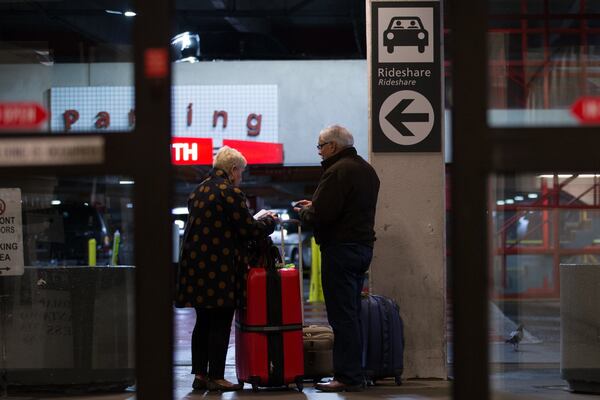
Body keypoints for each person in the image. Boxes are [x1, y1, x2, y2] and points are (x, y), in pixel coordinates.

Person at [175, 146, 277, 392]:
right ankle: (217, 377)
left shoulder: (198, 191)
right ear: (232, 170)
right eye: (241, 172)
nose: (241, 176)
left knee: (203, 322)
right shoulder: (229, 192)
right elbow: (248, 229)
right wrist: (269, 221)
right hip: (219, 269)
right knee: (220, 322)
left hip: (195, 269)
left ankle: (200, 375)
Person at [294, 125, 380, 392]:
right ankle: (356, 372)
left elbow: (323, 216)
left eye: (320, 146)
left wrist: (303, 212)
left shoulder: (336, 171)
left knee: (342, 316)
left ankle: (347, 376)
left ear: (333, 146)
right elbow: (344, 208)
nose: (319, 151)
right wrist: (316, 206)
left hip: (340, 250)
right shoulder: (367, 170)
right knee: (351, 314)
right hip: (362, 249)